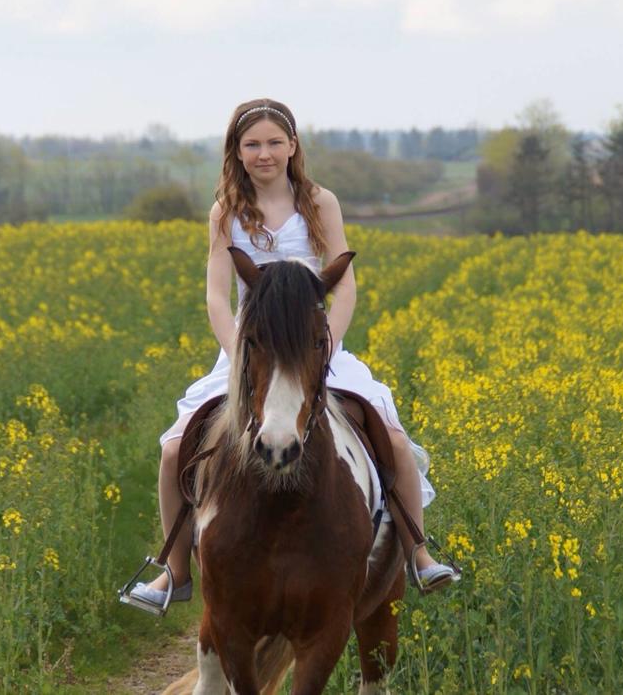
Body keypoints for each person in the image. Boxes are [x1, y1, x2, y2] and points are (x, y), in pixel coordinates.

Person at [125, 99, 457, 612]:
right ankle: (173, 570)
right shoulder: (226, 212)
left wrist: (326, 346)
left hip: (313, 350)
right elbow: (217, 296)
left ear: (293, 146)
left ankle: (418, 552)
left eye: (274, 143)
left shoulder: (320, 202)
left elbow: (343, 285)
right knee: (173, 452)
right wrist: (239, 357)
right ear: (237, 151)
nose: (264, 154)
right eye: (252, 144)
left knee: (391, 438)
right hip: (248, 354)